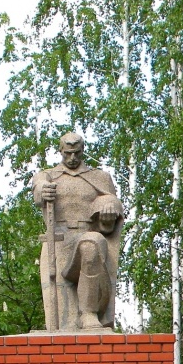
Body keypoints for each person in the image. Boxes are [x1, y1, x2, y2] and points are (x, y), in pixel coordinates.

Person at [32, 133, 123, 331]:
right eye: (68, 154)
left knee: (91, 243)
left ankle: (89, 314)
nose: (72, 158)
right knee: (62, 325)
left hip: (87, 233)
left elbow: (112, 200)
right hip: (59, 241)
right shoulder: (48, 176)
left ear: (83, 151)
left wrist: (108, 208)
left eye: (77, 153)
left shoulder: (99, 177)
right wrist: (43, 191)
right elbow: (38, 189)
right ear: (61, 152)